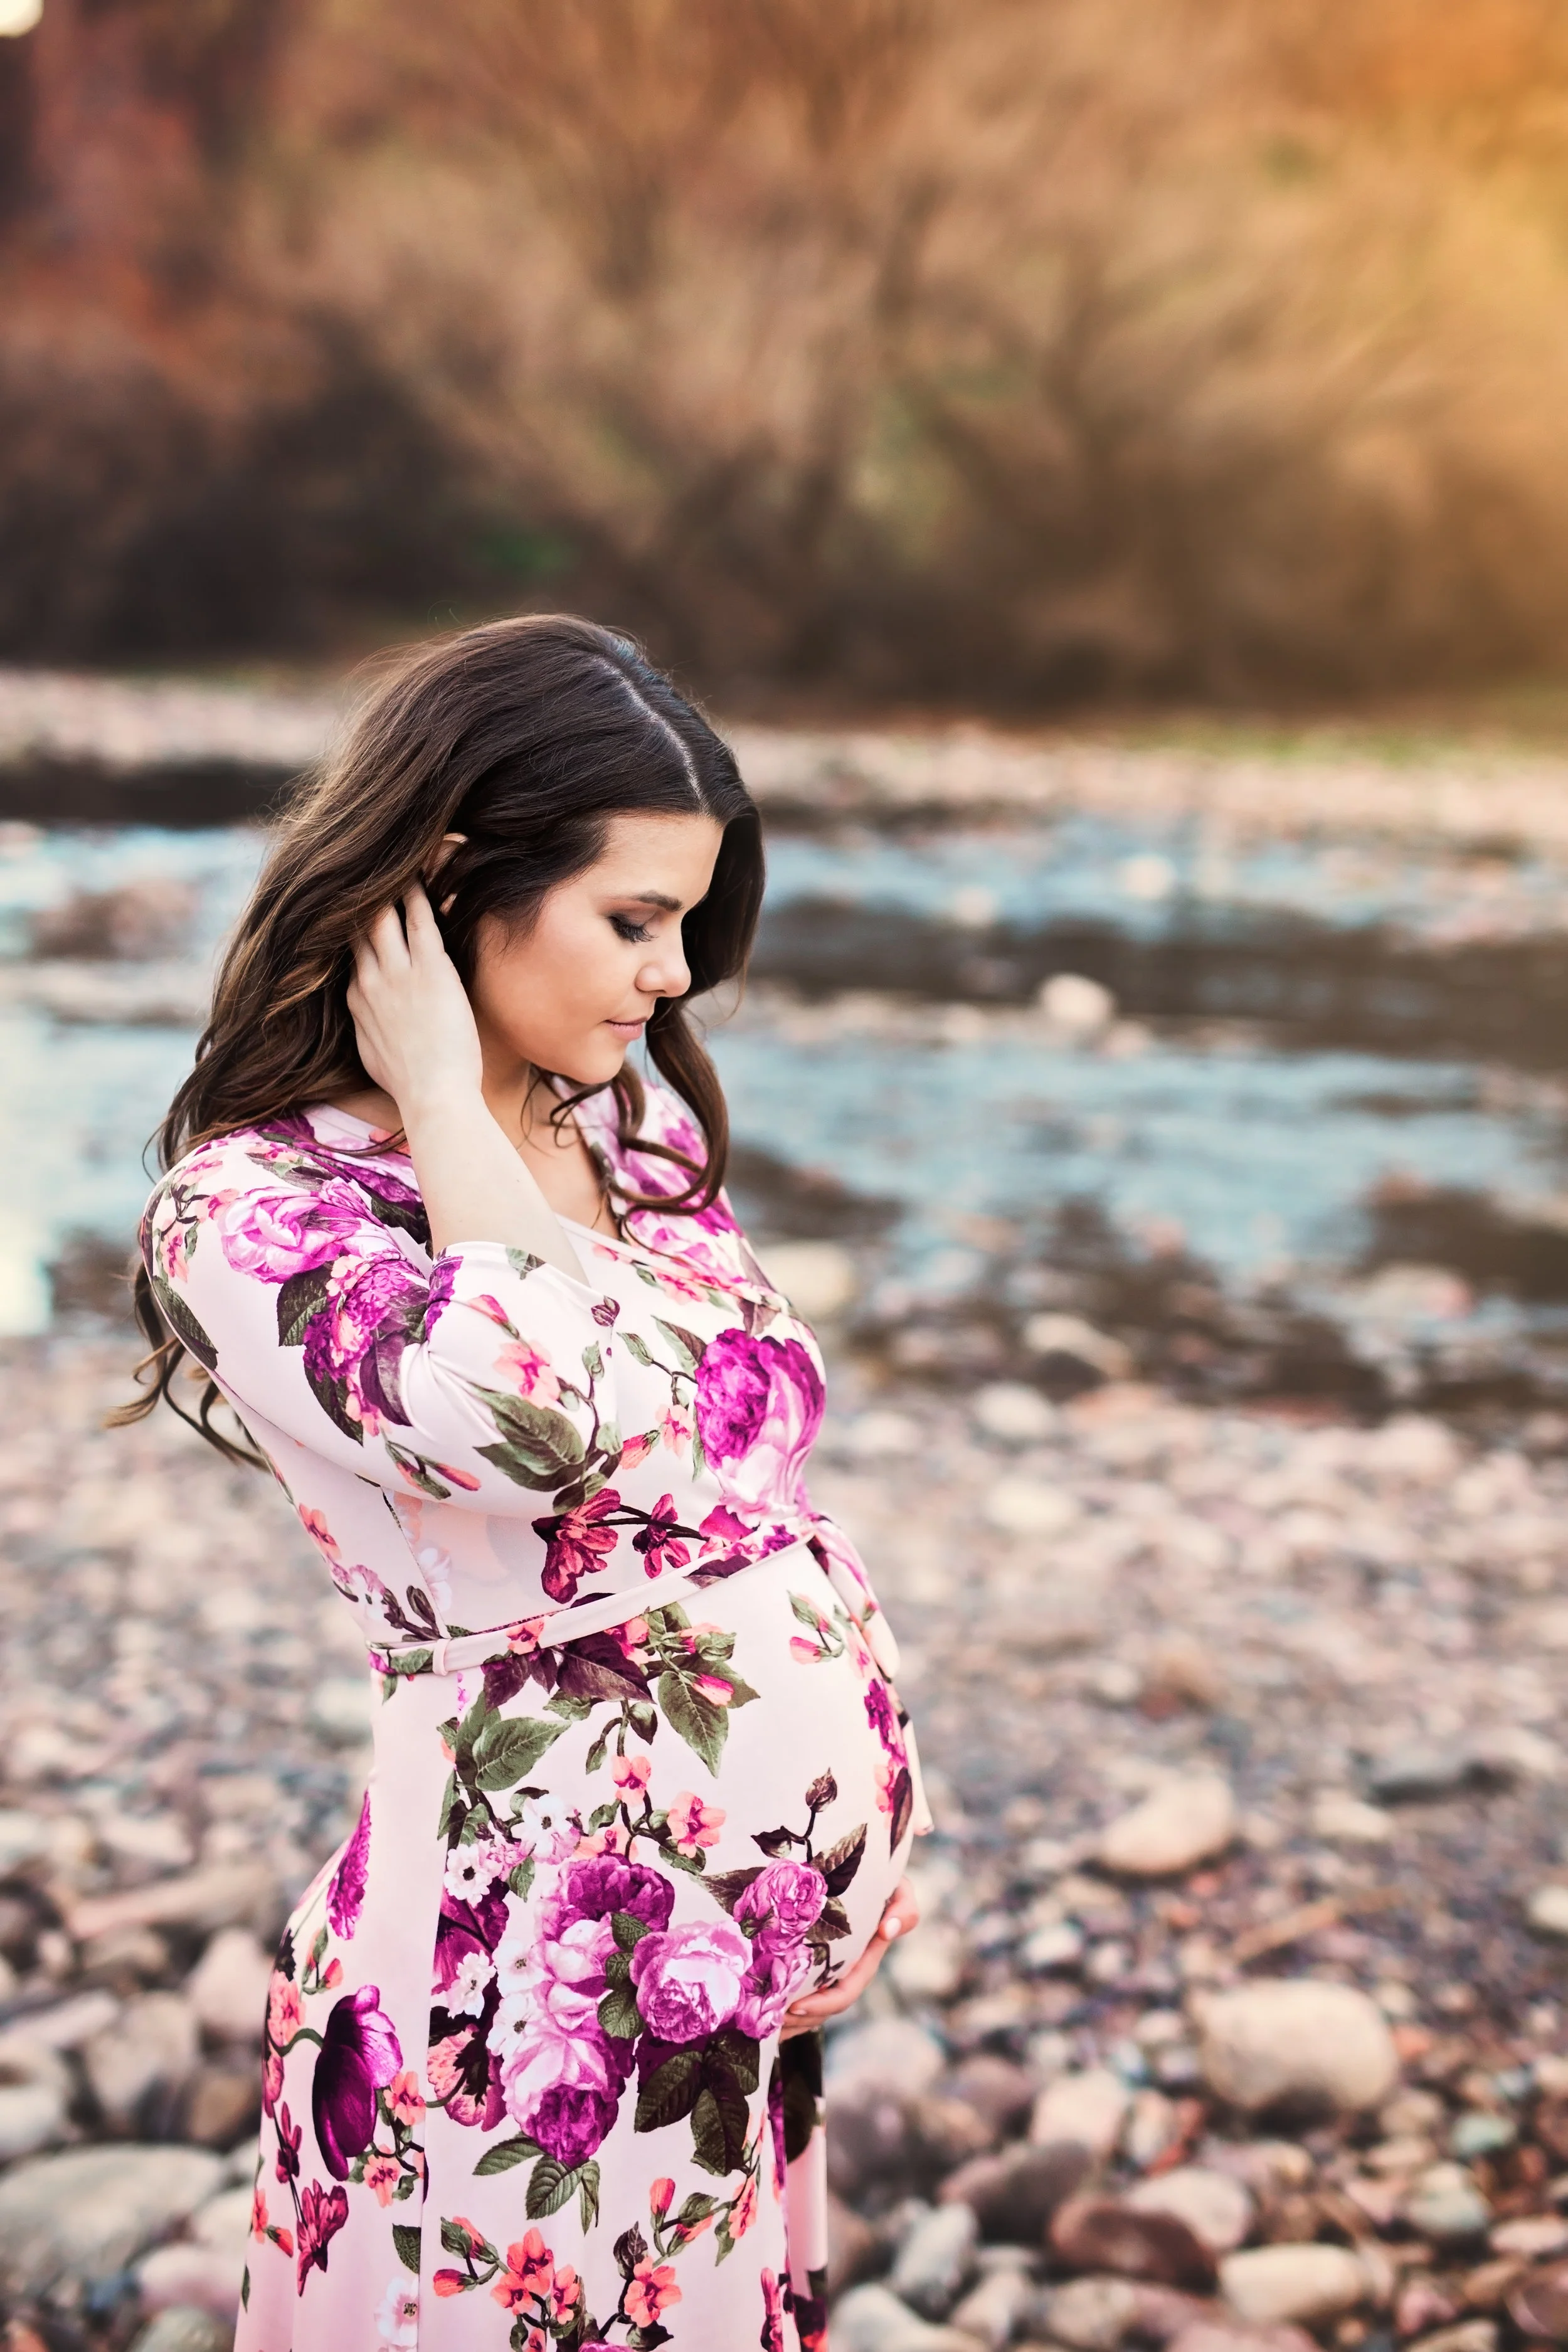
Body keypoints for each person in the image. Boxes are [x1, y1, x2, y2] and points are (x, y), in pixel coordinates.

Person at [121, 615, 926, 2352]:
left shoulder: (620, 1134)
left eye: (690, 928)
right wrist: (431, 1090)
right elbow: (529, 1410)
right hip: (519, 1967)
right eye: (632, 920)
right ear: (440, 884)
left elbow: (744, 1439)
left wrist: (826, 1852)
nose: (672, 979)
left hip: (721, 1967)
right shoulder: (259, 1210)